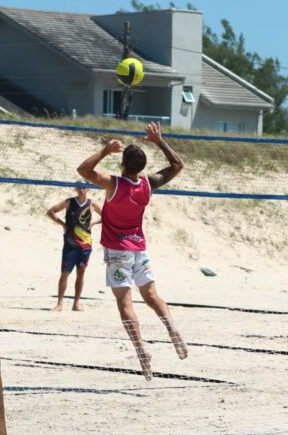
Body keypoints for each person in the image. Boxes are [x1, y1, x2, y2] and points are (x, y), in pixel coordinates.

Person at [77, 121, 188, 381]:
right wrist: (160, 141)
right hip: (139, 249)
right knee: (151, 295)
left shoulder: (113, 184)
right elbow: (177, 166)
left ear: (122, 163)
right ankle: (172, 330)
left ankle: (141, 351)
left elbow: (83, 169)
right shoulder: (148, 184)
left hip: (117, 252)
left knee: (124, 303)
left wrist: (104, 151)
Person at [46, 183, 102, 311]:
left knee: (81, 273)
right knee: (65, 273)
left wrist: (94, 222)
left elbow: (107, 216)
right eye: (80, 187)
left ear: (88, 189)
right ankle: (60, 303)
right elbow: (50, 212)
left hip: (85, 243)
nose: (82, 190)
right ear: (76, 189)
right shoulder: (69, 202)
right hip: (70, 243)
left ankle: (76, 303)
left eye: (84, 188)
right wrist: (62, 224)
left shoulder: (91, 204)